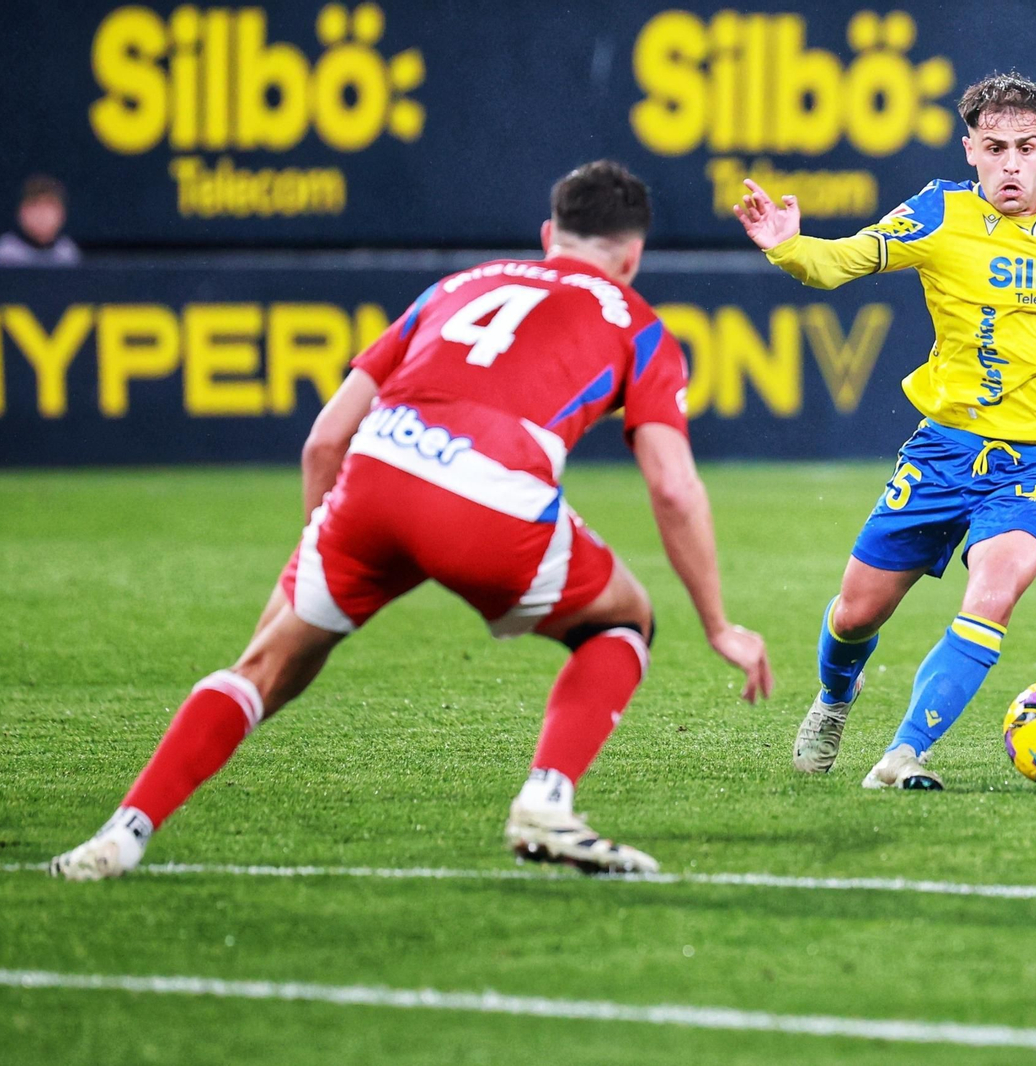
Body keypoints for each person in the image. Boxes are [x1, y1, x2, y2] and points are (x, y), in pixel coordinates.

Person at [52, 160, 772, 880]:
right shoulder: (639, 325)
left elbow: (324, 440)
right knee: (623, 622)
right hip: (490, 496)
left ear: (549, 234)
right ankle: (547, 803)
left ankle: (124, 833)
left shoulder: (457, 286)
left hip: (377, 472)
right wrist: (717, 623)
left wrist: (321, 548)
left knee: (266, 664)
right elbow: (673, 487)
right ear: (633, 256)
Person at [733, 72, 1036, 789]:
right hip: (944, 453)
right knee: (854, 614)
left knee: (993, 593)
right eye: (994, 146)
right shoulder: (939, 214)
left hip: (1035, 464)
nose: (1010, 163)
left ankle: (902, 755)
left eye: (1025, 148)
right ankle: (834, 699)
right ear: (969, 149)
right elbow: (846, 259)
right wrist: (788, 246)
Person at [0, 175, 81, 267]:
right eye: (34, 205)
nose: (42, 214)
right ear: (21, 212)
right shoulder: (5, 252)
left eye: (48, 206)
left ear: (62, 214)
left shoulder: (67, 252)